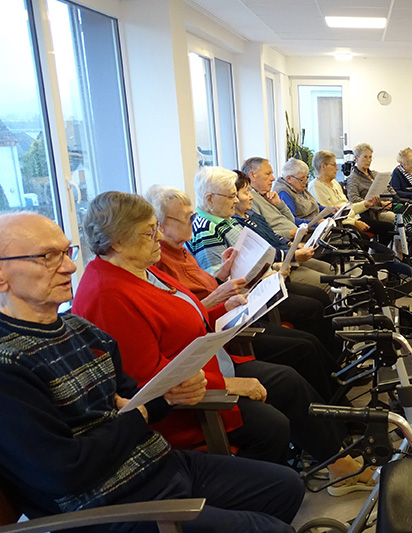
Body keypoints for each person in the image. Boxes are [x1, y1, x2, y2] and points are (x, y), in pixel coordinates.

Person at [0, 212, 304, 532]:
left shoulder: (80, 330)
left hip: (156, 464)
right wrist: (136, 415)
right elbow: (65, 469)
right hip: (112, 505)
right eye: (47, 257)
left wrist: (169, 396)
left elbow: (136, 398)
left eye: (66, 252)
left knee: (286, 486)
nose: (69, 267)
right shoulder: (9, 363)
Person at [72, 192, 373, 496]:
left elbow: (186, 314)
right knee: (272, 425)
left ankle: (339, 461)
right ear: (117, 241)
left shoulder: (141, 269)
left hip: (211, 366)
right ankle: (273, 496)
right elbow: (149, 379)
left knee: (289, 381)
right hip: (187, 403)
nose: (159, 236)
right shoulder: (107, 295)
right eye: (149, 232)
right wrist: (228, 385)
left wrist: (222, 309)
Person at [146, 184, 339, 400]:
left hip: (232, 316)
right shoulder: (160, 261)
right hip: (223, 333)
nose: (193, 220)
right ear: (161, 224)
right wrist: (220, 295)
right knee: (304, 346)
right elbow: (186, 315)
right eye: (188, 217)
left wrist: (221, 275)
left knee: (308, 338)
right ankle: (334, 403)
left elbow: (201, 290)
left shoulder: (181, 249)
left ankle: (337, 392)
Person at [185, 167, 340, 355]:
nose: (236, 200)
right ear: (210, 199)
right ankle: (331, 360)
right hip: (251, 297)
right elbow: (219, 285)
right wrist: (268, 274)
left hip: (265, 282)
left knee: (318, 300)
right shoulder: (206, 231)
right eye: (231, 196)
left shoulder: (226, 220)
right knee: (312, 314)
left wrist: (274, 269)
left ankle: (333, 357)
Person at [309, 149, 378, 232]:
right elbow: (330, 216)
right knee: (367, 236)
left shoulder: (335, 183)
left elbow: (349, 208)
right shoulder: (316, 186)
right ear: (323, 166)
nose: (337, 168)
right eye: (333, 165)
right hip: (341, 225)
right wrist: (354, 222)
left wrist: (365, 204)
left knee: (387, 227)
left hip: (353, 219)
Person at [346, 142, 397, 245]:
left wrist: (390, 201)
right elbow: (353, 199)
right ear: (356, 158)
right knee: (397, 220)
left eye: (370, 157)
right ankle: (385, 250)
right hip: (372, 212)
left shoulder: (375, 174)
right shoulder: (353, 178)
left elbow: (391, 190)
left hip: (389, 206)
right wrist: (379, 203)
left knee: (408, 216)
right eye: (365, 157)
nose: (368, 160)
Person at [241, 157, 297, 239]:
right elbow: (260, 234)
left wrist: (279, 204)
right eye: (268, 174)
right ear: (252, 176)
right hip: (283, 242)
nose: (273, 178)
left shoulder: (267, 196)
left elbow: (291, 220)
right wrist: (288, 234)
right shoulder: (249, 199)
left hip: (294, 239)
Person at [272, 158, 322, 225]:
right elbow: (291, 220)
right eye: (302, 179)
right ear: (289, 179)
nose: (305, 182)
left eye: (306, 177)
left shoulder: (298, 187)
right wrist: (316, 223)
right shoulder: (283, 193)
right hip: (305, 228)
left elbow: (315, 205)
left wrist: (330, 210)